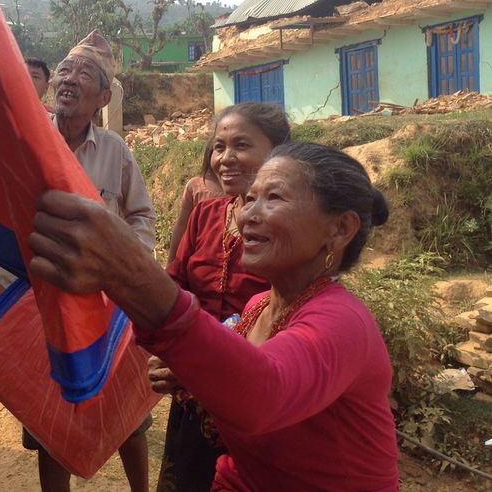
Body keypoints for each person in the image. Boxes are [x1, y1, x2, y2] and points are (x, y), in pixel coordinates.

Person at [27, 142, 399, 491]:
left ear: (340, 228)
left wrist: (134, 276)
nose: (249, 213)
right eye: (250, 198)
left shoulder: (342, 320)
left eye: (274, 198)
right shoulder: (257, 309)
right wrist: (194, 379)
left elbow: (263, 395)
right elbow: (242, 384)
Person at [0, 31, 155, 492]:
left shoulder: (116, 152)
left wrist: (131, 264)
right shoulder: (27, 138)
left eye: (83, 74)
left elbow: (141, 214)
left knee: (125, 410)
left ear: (103, 97)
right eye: (64, 69)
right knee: (52, 418)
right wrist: (1, 282)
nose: (67, 79)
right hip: (42, 303)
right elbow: (2, 213)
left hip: (107, 305)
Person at [157, 102, 289, 491]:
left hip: (258, 388)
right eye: (218, 147)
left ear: (278, 153)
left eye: (241, 145)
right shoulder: (205, 215)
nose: (225, 159)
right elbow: (176, 285)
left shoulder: (291, 226)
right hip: (191, 388)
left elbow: (292, 310)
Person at [166, 137, 224, 263]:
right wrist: (171, 261)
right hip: (199, 257)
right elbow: (181, 225)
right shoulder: (195, 186)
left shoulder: (241, 191)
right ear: (210, 155)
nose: (227, 158)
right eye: (220, 149)